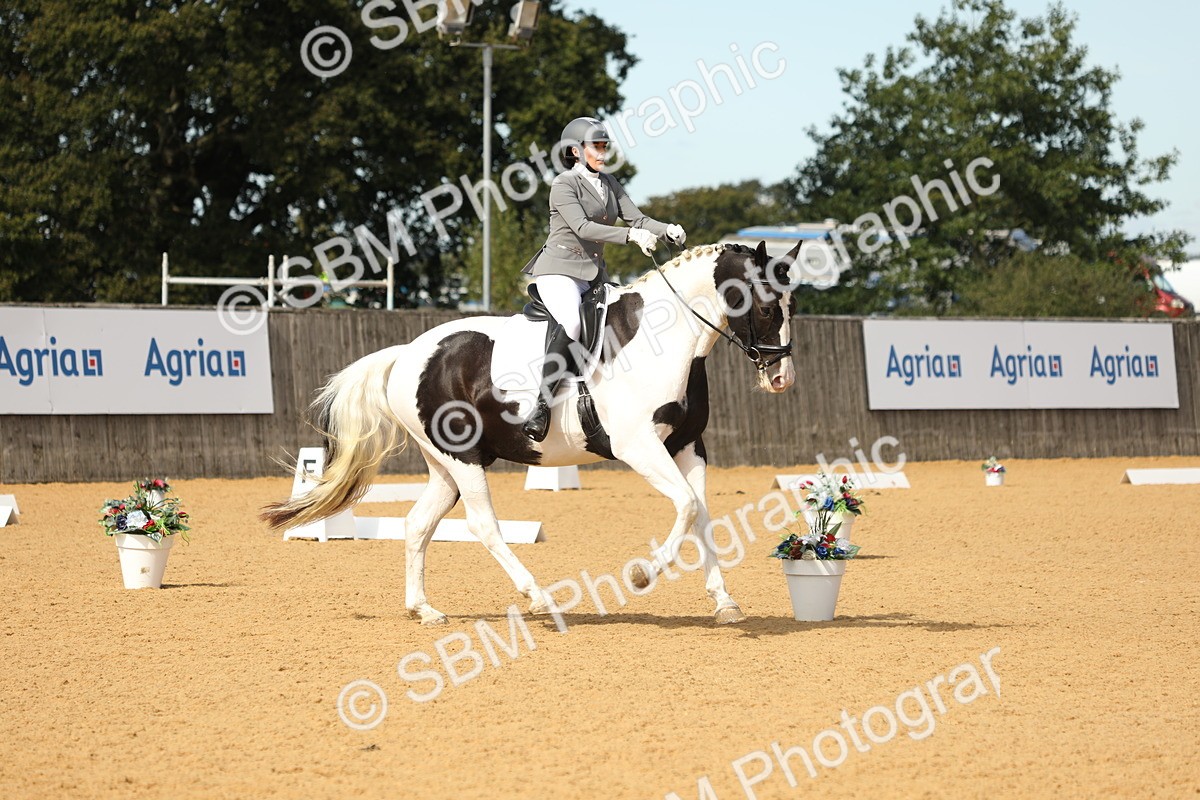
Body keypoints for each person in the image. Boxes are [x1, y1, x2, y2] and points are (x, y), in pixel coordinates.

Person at [519, 116, 687, 441]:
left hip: (596, 276)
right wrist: (631, 236)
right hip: (560, 271)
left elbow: (637, 218)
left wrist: (665, 230)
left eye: (604, 145)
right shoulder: (563, 184)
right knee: (570, 322)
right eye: (596, 146)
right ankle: (541, 406)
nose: (602, 151)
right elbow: (583, 227)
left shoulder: (609, 183)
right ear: (575, 150)